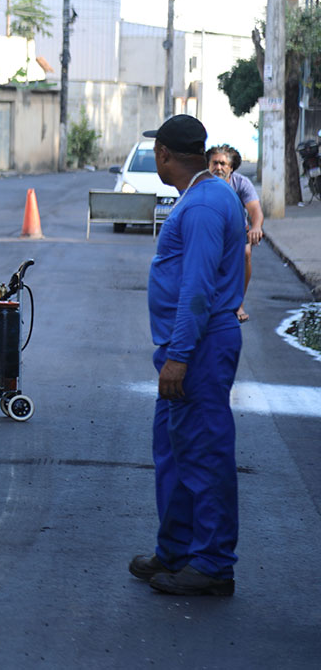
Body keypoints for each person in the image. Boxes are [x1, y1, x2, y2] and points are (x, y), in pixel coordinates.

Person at [128, 114, 246, 597]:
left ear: (163, 155)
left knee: (202, 452)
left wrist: (178, 356)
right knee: (175, 453)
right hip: (190, 346)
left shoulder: (201, 206)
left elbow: (197, 289)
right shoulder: (208, 196)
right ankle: (176, 550)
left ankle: (213, 564)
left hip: (198, 347)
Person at [206, 144, 264, 323]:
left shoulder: (241, 183)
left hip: (238, 232)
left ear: (231, 167)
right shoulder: (202, 183)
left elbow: (255, 210)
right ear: (208, 165)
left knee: (246, 253)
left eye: (223, 164)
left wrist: (256, 227)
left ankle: (238, 302)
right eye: (214, 163)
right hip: (210, 231)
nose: (218, 168)